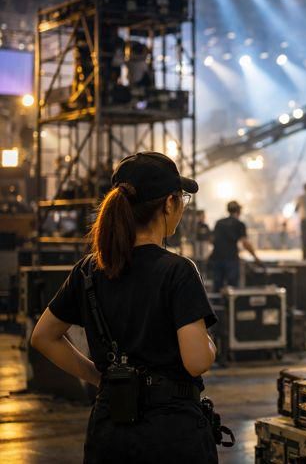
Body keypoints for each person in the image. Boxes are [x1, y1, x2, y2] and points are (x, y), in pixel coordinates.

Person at [30, 151, 218, 463]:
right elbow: (197, 361)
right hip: (171, 431)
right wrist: (210, 344)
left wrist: (100, 378)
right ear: (169, 203)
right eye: (182, 199)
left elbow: (43, 336)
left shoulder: (88, 269)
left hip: (109, 427)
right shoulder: (178, 271)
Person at [209, 200, 262, 290]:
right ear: (239, 211)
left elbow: (211, 240)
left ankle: (217, 298)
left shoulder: (219, 222)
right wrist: (255, 257)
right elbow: (245, 243)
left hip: (217, 257)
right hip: (231, 259)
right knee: (232, 288)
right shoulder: (239, 224)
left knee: (217, 287)